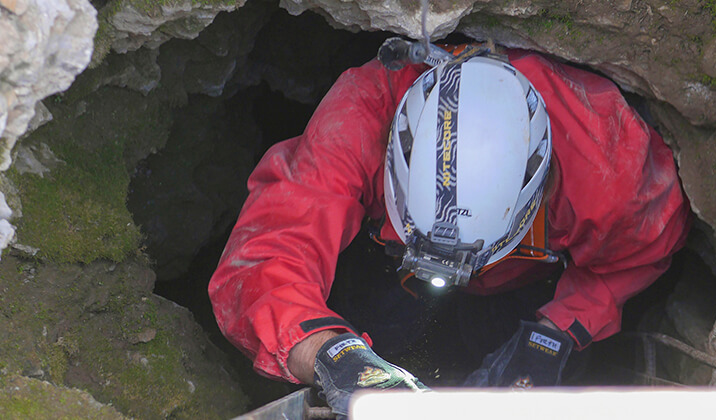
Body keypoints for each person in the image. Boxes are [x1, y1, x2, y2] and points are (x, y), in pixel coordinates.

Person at [208, 44, 691, 417]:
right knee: (376, 328)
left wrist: (553, 334)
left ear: (536, 189)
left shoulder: (608, 168)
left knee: (528, 372)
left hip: (522, 282)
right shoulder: (363, 115)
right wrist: (334, 355)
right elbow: (267, 255)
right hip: (390, 265)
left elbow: (640, 254)